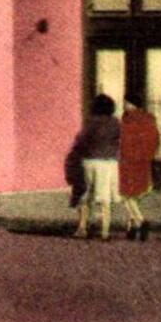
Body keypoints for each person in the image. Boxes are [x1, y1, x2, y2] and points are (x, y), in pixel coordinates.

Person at [69, 93, 121, 241]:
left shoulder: (91, 122)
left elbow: (81, 140)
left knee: (85, 195)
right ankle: (105, 231)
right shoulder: (116, 123)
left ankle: (82, 228)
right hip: (109, 163)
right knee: (105, 198)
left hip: (90, 161)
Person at [118, 97, 159, 242]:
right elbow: (154, 142)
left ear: (131, 104)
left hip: (128, 163)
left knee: (126, 196)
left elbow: (123, 142)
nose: (124, 105)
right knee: (134, 196)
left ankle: (140, 222)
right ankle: (132, 227)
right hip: (143, 163)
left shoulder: (127, 121)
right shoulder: (149, 120)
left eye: (126, 102)